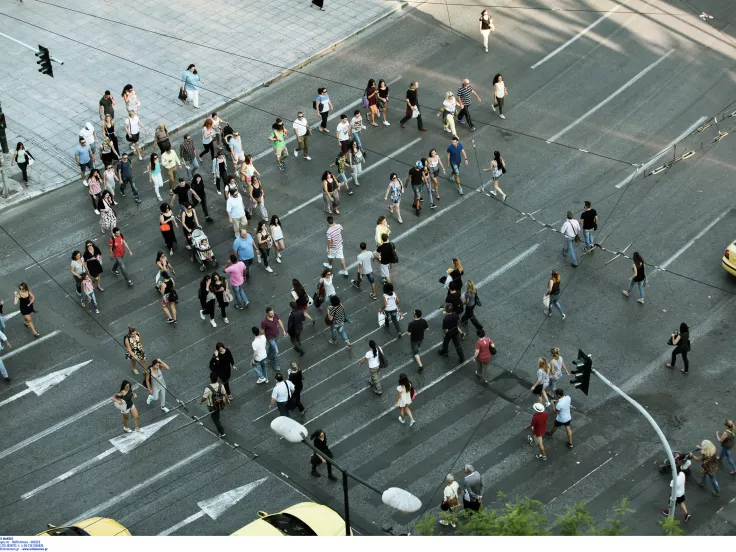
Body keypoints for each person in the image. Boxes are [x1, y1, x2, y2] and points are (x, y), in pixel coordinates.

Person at [200, 371, 229, 438]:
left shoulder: (208, 388)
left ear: (210, 379)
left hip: (212, 406)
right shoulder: (220, 385)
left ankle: (221, 432)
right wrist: (227, 401)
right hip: (220, 404)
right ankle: (217, 417)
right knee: (217, 412)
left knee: (215, 419)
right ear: (217, 378)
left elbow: (204, 398)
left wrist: (201, 402)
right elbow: (225, 394)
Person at [262, 307, 287, 372]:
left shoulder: (275, 314)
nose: (273, 314)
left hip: (276, 335)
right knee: (276, 351)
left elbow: (280, 321)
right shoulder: (264, 322)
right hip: (270, 338)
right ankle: (275, 363)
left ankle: (269, 355)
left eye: (273, 312)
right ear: (267, 314)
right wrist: (263, 339)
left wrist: (283, 330)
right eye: (271, 313)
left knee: (271, 347)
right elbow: (262, 330)